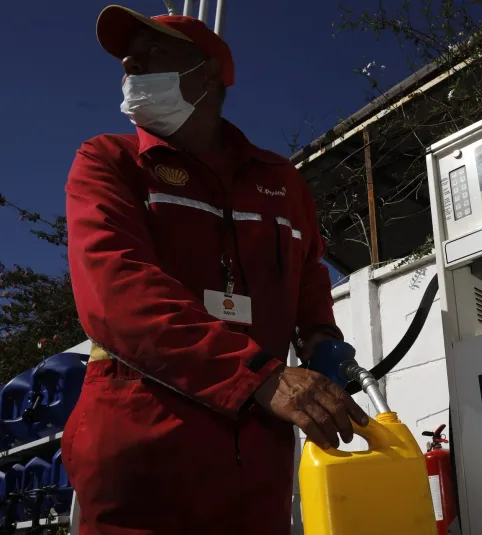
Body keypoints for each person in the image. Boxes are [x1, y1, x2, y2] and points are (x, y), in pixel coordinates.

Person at [62, 5, 369, 534]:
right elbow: (115, 290)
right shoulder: (109, 161)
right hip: (140, 457)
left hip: (255, 464)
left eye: (151, 51)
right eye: (127, 59)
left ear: (206, 75)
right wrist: (258, 375)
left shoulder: (281, 182)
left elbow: (307, 273)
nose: (130, 63)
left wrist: (321, 336)